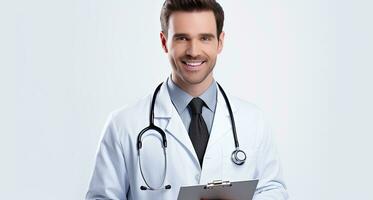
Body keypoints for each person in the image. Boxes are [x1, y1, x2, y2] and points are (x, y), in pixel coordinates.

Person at [86, 0, 288, 199]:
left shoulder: (253, 121)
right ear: (165, 42)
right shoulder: (124, 125)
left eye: (205, 38)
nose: (193, 51)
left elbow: (273, 191)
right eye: (182, 38)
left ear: (220, 42)